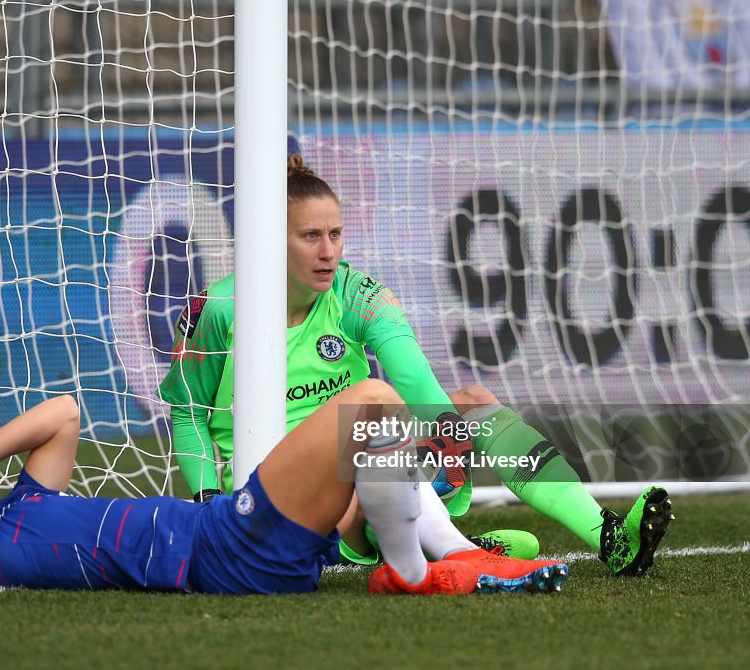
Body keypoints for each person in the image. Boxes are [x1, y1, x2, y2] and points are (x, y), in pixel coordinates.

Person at [157, 154, 674, 577]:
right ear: (271, 239)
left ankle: (608, 538)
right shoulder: (219, 311)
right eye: (310, 236)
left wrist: (445, 438)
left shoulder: (358, 296)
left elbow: (416, 383)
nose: (328, 251)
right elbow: (186, 415)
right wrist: (208, 506)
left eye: (336, 234)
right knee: (373, 437)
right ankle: (454, 550)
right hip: (273, 500)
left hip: (365, 479)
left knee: (473, 405)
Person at [0, 380, 569, 595]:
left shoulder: (15, 514)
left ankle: (427, 553)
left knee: (377, 436)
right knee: (374, 402)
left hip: (229, 549)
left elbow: (63, 416)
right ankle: (417, 565)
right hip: (221, 548)